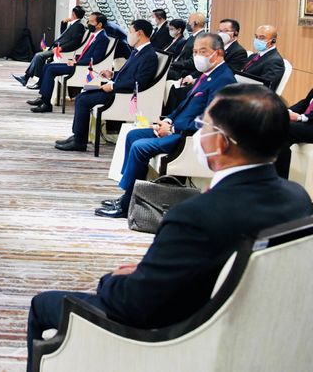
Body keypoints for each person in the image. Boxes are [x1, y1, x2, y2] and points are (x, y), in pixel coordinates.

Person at [27, 84, 312, 371]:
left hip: (181, 338)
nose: (199, 134)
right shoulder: (297, 198)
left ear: (221, 143)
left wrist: (112, 280)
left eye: (204, 125)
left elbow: (134, 306)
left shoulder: (195, 216)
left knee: (43, 305)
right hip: (253, 329)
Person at [96, 33, 237, 217]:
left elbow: (210, 120)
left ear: (218, 53)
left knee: (140, 147)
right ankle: (130, 193)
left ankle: (126, 204)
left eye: (203, 51)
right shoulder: (207, 75)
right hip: (176, 129)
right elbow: (184, 106)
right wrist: (168, 120)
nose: (197, 56)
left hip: (187, 137)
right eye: (195, 52)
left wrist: (172, 129)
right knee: (133, 135)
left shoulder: (223, 79)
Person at [55, 19, 158, 152]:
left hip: (123, 95)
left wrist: (114, 86)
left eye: (131, 31)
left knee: (83, 100)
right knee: (82, 96)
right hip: (118, 88)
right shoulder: (137, 51)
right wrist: (112, 75)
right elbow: (128, 74)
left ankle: (80, 142)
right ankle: (78, 136)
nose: (128, 34)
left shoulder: (149, 55)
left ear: (140, 33)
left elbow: (139, 82)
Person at [28, 12, 109, 113]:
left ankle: (46, 104)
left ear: (99, 25)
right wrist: (76, 59)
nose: (88, 23)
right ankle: (44, 98)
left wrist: (77, 63)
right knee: (47, 66)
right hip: (78, 64)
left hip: (82, 68)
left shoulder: (103, 38)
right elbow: (87, 54)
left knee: (50, 69)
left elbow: (96, 59)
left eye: (91, 21)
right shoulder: (95, 35)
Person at [165, 18, 249, 113]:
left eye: (225, 31)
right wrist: (191, 76)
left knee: (181, 92)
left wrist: (196, 80)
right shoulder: (215, 46)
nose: (221, 33)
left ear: (235, 33)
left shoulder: (238, 51)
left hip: (215, 84)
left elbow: (228, 73)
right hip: (202, 78)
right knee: (175, 88)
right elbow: (205, 66)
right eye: (220, 31)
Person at [12, 6, 86, 88]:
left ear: (74, 14)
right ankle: (26, 78)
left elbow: (74, 42)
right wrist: (63, 23)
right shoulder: (75, 24)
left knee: (38, 56)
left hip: (61, 50)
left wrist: (61, 48)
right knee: (38, 56)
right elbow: (64, 35)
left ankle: (35, 81)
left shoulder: (79, 25)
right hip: (57, 47)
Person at [275, 88, 313, 178]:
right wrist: (286, 111)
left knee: (284, 127)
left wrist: (301, 117)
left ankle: (280, 179)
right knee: (276, 125)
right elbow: (305, 103)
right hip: (308, 122)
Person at [240, 24, 285, 90]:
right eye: (256, 36)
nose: (257, 40)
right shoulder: (254, 56)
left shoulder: (275, 61)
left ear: (273, 41)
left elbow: (265, 88)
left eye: (262, 38)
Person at [167, 12, 206, 80]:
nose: (188, 23)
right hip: (179, 67)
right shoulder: (193, 36)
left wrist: (174, 63)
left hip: (183, 72)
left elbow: (193, 61)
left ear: (195, 23)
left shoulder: (201, 38)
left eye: (189, 21)